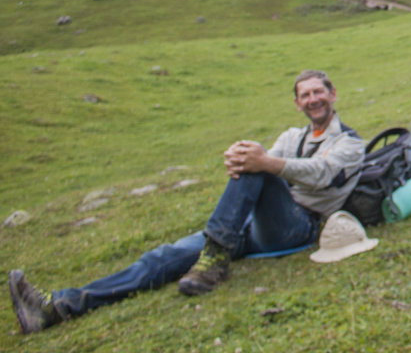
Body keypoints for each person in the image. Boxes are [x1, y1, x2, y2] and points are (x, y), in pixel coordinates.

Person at [8, 69, 364, 334]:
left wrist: (260, 163)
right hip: (250, 225)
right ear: (297, 103)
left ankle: (213, 257)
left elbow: (322, 173)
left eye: (319, 92)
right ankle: (58, 307)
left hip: (298, 226)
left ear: (333, 95)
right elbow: (260, 174)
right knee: (162, 257)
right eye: (305, 95)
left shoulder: (350, 142)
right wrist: (241, 158)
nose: (313, 99)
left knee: (259, 167)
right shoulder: (291, 136)